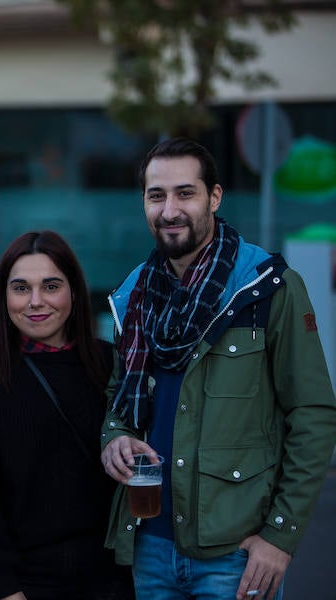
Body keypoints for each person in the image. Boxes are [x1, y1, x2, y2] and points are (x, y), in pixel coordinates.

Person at [100, 137, 336, 600]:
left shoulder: (267, 287)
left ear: (215, 196)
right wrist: (113, 439)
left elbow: (313, 414)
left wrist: (279, 538)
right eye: (156, 195)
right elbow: (118, 404)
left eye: (185, 193)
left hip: (238, 555)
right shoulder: (133, 296)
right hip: (148, 547)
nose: (170, 210)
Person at [0, 231, 134, 600]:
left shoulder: (111, 364)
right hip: (20, 586)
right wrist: (2, 589)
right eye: (21, 288)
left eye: (51, 286)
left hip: (110, 583)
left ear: (74, 292)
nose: (36, 302)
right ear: (3, 296)